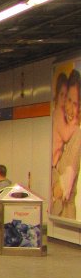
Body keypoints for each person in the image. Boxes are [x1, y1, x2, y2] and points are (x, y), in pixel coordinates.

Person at [52, 70, 81, 219]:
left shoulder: (77, 136)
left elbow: (60, 190)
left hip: (65, 213)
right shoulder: (59, 118)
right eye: (68, 100)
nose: (69, 108)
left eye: (75, 104)